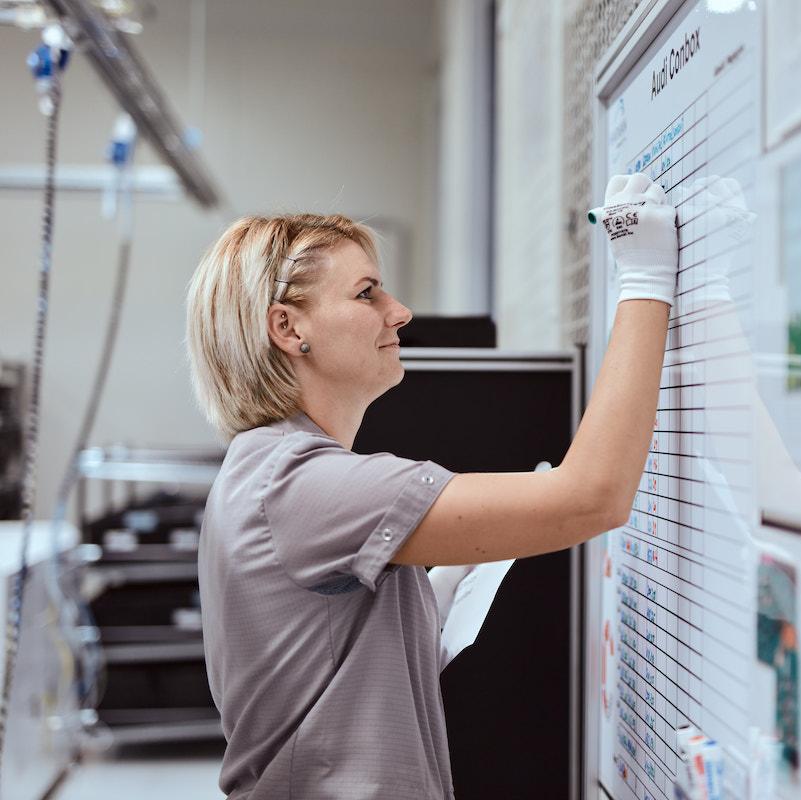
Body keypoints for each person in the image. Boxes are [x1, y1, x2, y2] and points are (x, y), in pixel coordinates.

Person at [185, 173, 678, 799]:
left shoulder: (265, 468)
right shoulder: (298, 482)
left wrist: (421, 605)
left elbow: (324, 652)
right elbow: (592, 498)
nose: (400, 312)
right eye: (367, 294)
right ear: (288, 328)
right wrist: (644, 281)